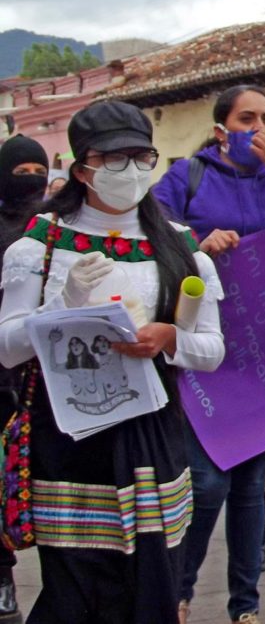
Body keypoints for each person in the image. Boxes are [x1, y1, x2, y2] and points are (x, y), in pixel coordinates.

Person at [0, 100, 225, 623]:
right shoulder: (40, 246)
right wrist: (63, 306)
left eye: (141, 156)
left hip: (154, 434)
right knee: (74, 591)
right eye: (113, 159)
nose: (130, 171)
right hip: (70, 440)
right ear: (82, 168)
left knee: (151, 586)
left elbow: (212, 349)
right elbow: (7, 348)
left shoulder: (183, 247)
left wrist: (169, 337)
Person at [152, 84, 265, 624]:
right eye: (246, 117)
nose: (257, 127)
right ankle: (177, 594)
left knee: (252, 486)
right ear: (220, 129)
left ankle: (245, 606)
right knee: (207, 483)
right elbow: (152, 239)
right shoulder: (189, 177)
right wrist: (197, 245)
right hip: (204, 348)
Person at [0, 134, 49, 624]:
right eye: (21, 172)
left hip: (43, 377)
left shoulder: (55, 227)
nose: (32, 180)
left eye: (40, 169)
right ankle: (2, 575)